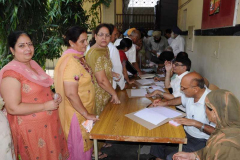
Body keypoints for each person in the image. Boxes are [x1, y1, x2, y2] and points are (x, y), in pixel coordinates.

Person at [0, 31, 68, 159]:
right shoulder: (11, 73)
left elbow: (40, 90)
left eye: (30, 44)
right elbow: (12, 108)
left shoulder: (33, 64)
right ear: (12, 50)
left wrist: (53, 95)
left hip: (49, 128)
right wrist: (44, 106)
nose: (27, 49)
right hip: (32, 132)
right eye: (21, 46)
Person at [54, 26, 99, 160]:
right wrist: (86, 114)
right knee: (80, 149)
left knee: (85, 147)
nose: (86, 44)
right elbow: (71, 94)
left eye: (87, 40)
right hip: (77, 113)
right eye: (82, 41)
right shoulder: (71, 62)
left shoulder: (78, 57)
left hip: (83, 109)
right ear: (71, 43)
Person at [150, 72, 215, 160]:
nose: (181, 90)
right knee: (158, 136)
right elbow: (180, 99)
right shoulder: (190, 94)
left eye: (183, 88)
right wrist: (164, 103)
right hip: (186, 131)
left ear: (195, 89)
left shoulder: (212, 102)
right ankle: (158, 157)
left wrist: (195, 123)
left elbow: (218, 132)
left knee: (173, 157)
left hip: (202, 139)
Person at [173, 89, 240, 160]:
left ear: (214, 113)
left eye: (206, 107)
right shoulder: (224, 127)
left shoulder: (228, 146)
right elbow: (209, 151)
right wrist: (193, 156)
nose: (205, 111)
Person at [85, 23, 121, 116]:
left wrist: (110, 73)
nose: (104, 38)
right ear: (95, 36)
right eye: (101, 35)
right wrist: (114, 93)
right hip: (98, 93)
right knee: (102, 123)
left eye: (107, 35)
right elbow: (101, 80)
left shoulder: (104, 49)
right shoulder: (95, 53)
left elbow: (98, 69)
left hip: (105, 91)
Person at [108, 24, 125, 90]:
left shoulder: (92, 47)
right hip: (110, 86)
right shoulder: (112, 48)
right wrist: (122, 85)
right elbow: (117, 68)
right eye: (115, 34)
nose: (116, 37)